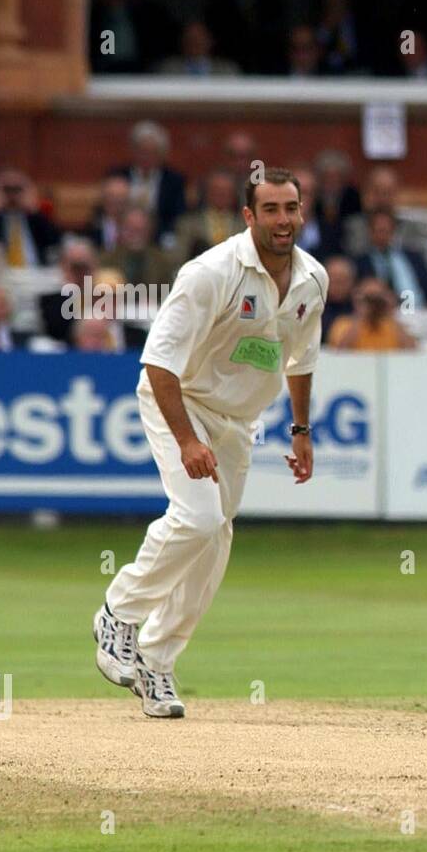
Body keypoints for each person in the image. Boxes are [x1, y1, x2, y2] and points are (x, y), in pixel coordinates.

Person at [92, 168, 325, 718]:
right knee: (196, 518)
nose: (282, 220)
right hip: (180, 400)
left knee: (216, 538)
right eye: (270, 209)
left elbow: (302, 358)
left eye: (290, 208)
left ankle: (157, 660)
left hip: (237, 421)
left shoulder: (312, 279)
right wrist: (187, 439)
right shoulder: (210, 272)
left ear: (301, 212)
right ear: (249, 217)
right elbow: (158, 364)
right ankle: (117, 613)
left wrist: (300, 429)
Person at [326, 277, 416, 351]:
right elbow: (339, 352)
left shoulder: (393, 326)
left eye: (377, 300)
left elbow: (412, 351)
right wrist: (362, 314)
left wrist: (389, 312)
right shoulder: (343, 324)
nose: (374, 305)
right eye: (368, 299)